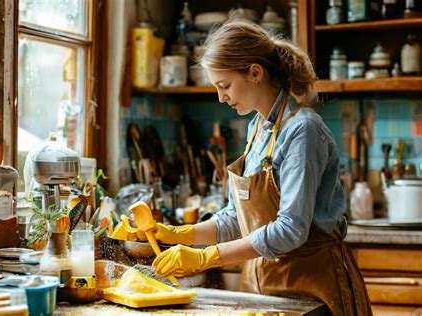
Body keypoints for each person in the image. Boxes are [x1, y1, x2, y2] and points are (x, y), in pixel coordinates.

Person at [138, 19, 371, 314]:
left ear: (255, 73)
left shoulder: (303, 130)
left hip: (312, 289)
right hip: (264, 287)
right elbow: (238, 218)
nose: (221, 97)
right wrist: (181, 233)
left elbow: (290, 230)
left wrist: (206, 257)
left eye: (224, 85)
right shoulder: (257, 129)